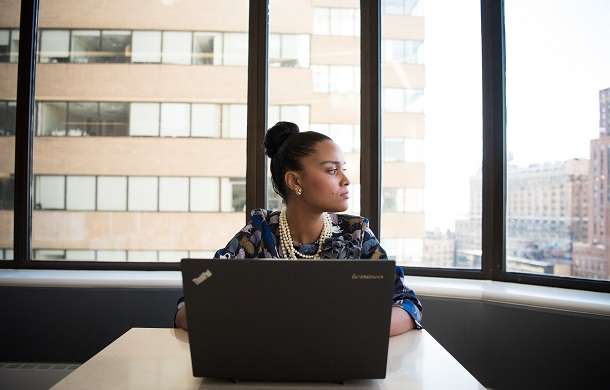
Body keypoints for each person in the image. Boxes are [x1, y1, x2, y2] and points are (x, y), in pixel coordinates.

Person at [175, 121, 423, 336]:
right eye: (332, 170)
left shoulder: (356, 234)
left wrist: (355, 328)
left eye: (343, 169)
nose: (346, 180)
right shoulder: (258, 234)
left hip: (341, 364)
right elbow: (189, 305)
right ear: (295, 181)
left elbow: (407, 303)